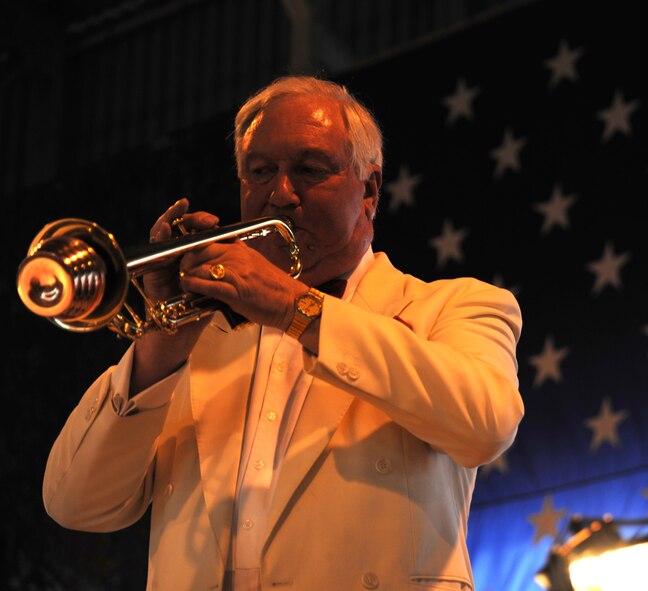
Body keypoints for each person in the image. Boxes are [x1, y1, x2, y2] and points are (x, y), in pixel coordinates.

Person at [42, 75, 524, 591]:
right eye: (260, 172)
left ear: (369, 190)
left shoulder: (453, 305)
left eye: (310, 170)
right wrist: (165, 334)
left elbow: (487, 424)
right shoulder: (199, 335)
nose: (280, 194)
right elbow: (76, 503)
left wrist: (295, 306)